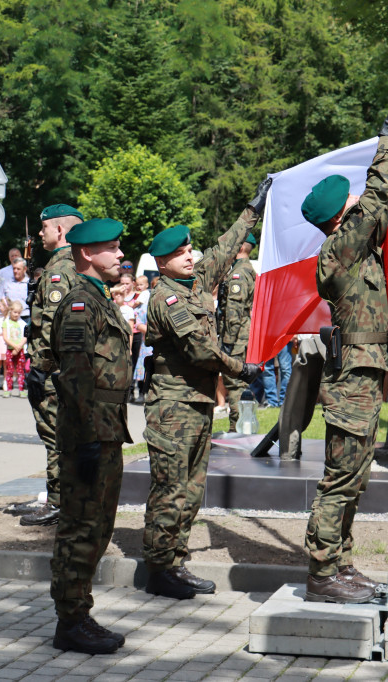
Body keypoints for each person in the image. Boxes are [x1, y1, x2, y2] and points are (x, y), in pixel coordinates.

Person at [300, 104, 388, 605]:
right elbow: (377, 198)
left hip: (366, 375)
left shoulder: (350, 251)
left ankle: (340, 564)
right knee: (339, 480)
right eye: (352, 202)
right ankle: (322, 573)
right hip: (351, 383)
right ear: (339, 217)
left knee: (356, 479)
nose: (359, 203)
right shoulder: (340, 249)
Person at [141, 184, 267, 600]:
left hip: (195, 405)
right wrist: (239, 368)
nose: (191, 256)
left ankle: (176, 561)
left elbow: (226, 247)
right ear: (164, 261)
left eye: (191, 249)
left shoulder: (195, 283)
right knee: (171, 487)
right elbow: (199, 348)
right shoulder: (166, 297)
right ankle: (159, 568)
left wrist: (253, 208)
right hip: (172, 405)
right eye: (181, 253)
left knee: (193, 488)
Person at [49, 218, 132, 655]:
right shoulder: (81, 304)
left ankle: (80, 611)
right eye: (112, 248)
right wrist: (83, 440)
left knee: (98, 526)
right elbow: (77, 373)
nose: (120, 255)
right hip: (88, 431)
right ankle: (71, 620)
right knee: (80, 526)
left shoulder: (101, 300)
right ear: (87, 253)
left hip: (106, 428)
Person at [24, 204, 83, 527]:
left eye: (44, 228)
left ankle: (59, 501)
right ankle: (58, 496)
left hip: (52, 372)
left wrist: (41, 368)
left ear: (59, 230)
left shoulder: (60, 270)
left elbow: (52, 325)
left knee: (56, 436)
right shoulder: (67, 265)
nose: (40, 234)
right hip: (59, 370)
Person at [218, 232, 257, 431]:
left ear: (241, 247)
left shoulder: (238, 274)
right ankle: (241, 426)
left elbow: (234, 310)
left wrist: (227, 341)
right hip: (242, 334)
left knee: (233, 383)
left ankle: (237, 428)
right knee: (237, 383)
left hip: (236, 336)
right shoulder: (246, 270)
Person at [0, 299, 27, 396]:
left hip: (20, 350)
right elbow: (5, 337)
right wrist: (14, 347)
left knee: (20, 370)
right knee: (9, 370)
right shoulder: (6, 323)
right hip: (10, 350)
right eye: (15, 312)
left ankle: (21, 389)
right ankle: (8, 389)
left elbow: (25, 337)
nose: (16, 314)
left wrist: (18, 347)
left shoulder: (23, 324)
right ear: (10, 311)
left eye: (19, 313)